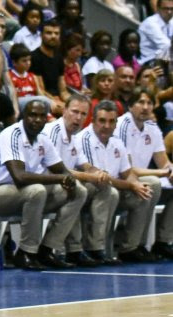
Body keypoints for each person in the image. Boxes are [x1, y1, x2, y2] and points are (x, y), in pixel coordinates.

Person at [0, 99, 87, 269]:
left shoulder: (42, 139)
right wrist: (60, 179)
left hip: (21, 196)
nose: (37, 120)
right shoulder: (12, 134)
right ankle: (26, 252)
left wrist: (68, 181)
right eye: (33, 115)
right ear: (23, 116)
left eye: (42, 116)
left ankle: (47, 248)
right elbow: (19, 177)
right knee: (36, 190)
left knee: (79, 191)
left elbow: (62, 170)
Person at [76, 100, 157, 261]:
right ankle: (95, 248)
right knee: (109, 192)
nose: (106, 126)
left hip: (116, 188)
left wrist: (137, 184)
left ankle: (132, 247)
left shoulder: (117, 142)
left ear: (116, 123)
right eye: (102, 121)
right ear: (93, 121)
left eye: (111, 121)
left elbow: (127, 172)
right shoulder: (84, 139)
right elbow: (100, 179)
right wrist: (132, 185)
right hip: (93, 190)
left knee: (150, 185)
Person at [43, 94, 117, 266]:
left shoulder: (74, 137)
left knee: (107, 190)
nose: (78, 117)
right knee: (78, 190)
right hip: (46, 183)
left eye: (83, 114)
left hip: (63, 183)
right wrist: (91, 176)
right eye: (74, 112)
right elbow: (58, 170)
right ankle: (53, 248)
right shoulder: (53, 132)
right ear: (64, 110)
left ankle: (95, 247)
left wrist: (100, 173)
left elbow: (85, 165)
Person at [113, 88, 173, 259]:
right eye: (140, 102)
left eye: (149, 103)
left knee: (153, 182)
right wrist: (162, 172)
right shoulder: (122, 125)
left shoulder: (152, 127)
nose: (145, 107)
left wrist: (170, 170)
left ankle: (163, 242)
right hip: (121, 182)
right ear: (131, 105)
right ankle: (130, 247)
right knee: (152, 183)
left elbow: (164, 162)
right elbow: (128, 169)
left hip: (142, 180)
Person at [30, 18, 69, 116]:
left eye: (56, 33)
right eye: (49, 33)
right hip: (43, 100)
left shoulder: (59, 57)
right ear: (41, 35)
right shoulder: (34, 57)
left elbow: (63, 90)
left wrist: (72, 102)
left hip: (58, 100)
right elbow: (40, 90)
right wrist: (56, 101)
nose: (53, 36)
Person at [8, 42, 55, 113]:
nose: (28, 63)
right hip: (20, 104)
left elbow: (40, 93)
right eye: (24, 61)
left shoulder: (32, 76)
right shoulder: (10, 76)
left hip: (36, 105)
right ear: (14, 62)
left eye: (29, 60)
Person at [139, 0, 173, 64]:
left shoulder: (171, 21)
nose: (169, 12)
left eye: (172, 9)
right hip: (148, 61)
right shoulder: (150, 23)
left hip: (165, 60)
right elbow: (166, 45)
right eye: (166, 8)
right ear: (158, 8)